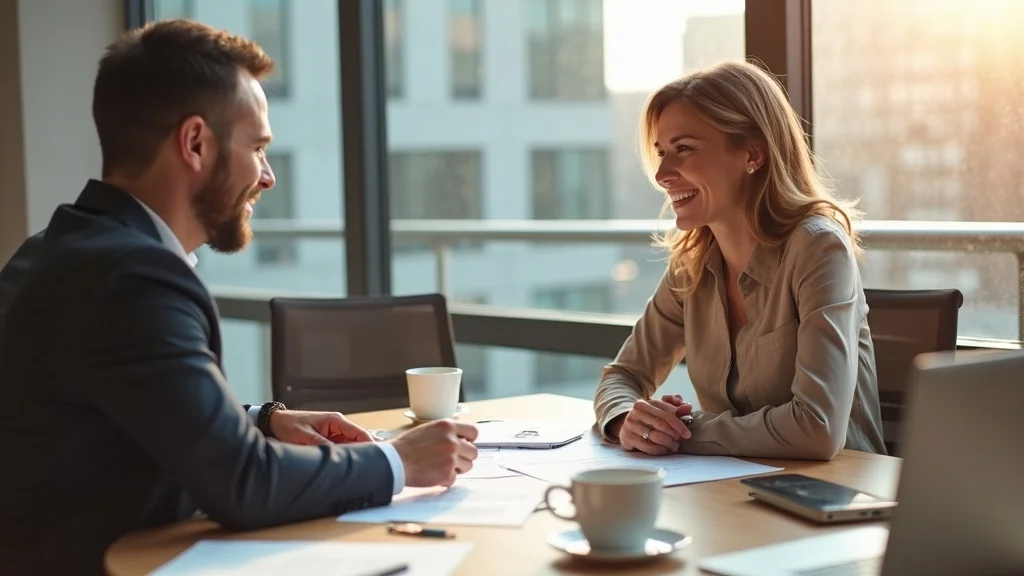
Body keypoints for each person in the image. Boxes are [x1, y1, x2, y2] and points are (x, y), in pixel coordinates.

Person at [0, 19, 478, 576]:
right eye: (257, 147)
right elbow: (244, 485)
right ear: (196, 143)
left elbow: (121, 406)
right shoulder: (133, 274)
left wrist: (261, 420)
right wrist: (398, 460)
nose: (268, 176)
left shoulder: (58, 248)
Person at [594, 61, 886, 461]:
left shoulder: (818, 249)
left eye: (685, 149)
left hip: (837, 500)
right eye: (661, 153)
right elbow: (624, 376)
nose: (662, 173)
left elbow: (816, 429)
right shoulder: (691, 263)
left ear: (752, 153)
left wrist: (681, 430)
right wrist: (626, 419)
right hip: (732, 491)